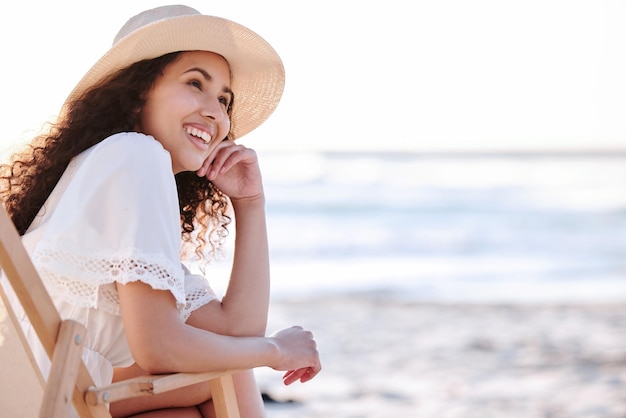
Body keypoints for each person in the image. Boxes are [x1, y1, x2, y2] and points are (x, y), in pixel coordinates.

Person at [0, 5, 320, 418]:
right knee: (231, 370)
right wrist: (274, 351)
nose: (215, 112)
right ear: (137, 94)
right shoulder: (136, 155)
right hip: (49, 394)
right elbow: (160, 348)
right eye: (195, 83)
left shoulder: (114, 174)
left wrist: (249, 204)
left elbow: (237, 330)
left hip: (33, 395)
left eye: (224, 99)